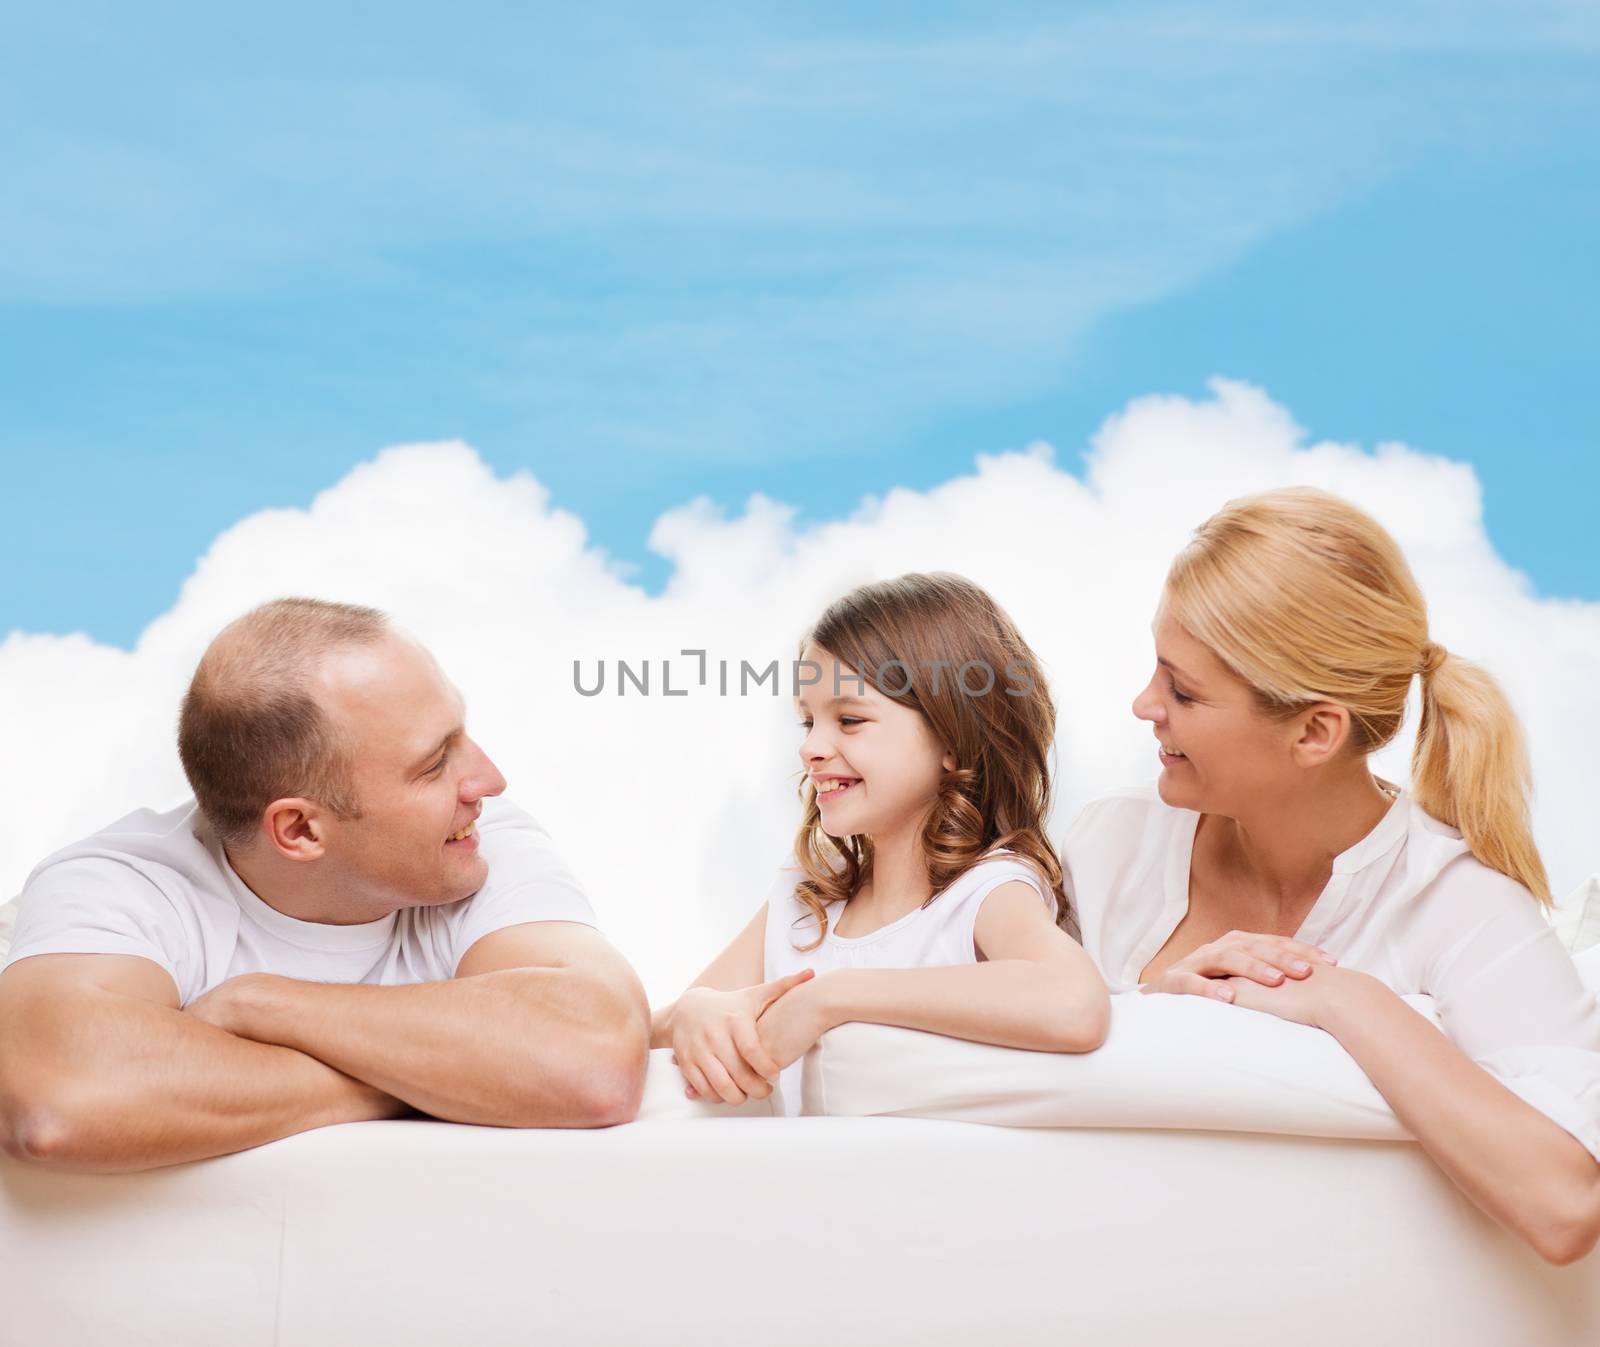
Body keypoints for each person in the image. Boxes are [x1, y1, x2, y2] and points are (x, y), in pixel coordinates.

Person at [1062, 487, 1600, 1265]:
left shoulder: (1460, 904)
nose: (1145, 703)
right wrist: (1163, 1017)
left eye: (1183, 689)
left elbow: (1566, 1205)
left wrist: (1341, 998)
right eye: (1157, 669)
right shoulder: (1111, 846)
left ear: (1315, 730)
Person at [0, 598, 649, 1173]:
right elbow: (60, 1101)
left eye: (462, 734)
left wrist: (261, 1004)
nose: (489, 779)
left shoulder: (476, 841)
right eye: (433, 764)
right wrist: (443, 1081)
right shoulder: (118, 885)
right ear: (301, 829)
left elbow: (594, 1060)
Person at [652, 573, 1109, 1115]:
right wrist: (692, 1012)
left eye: (849, 720)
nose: (812, 748)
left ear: (952, 738)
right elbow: (655, 1038)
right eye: (807, 722)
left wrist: (831, 997)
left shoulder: (986, 893)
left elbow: (1076, 1004)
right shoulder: (803, 902)